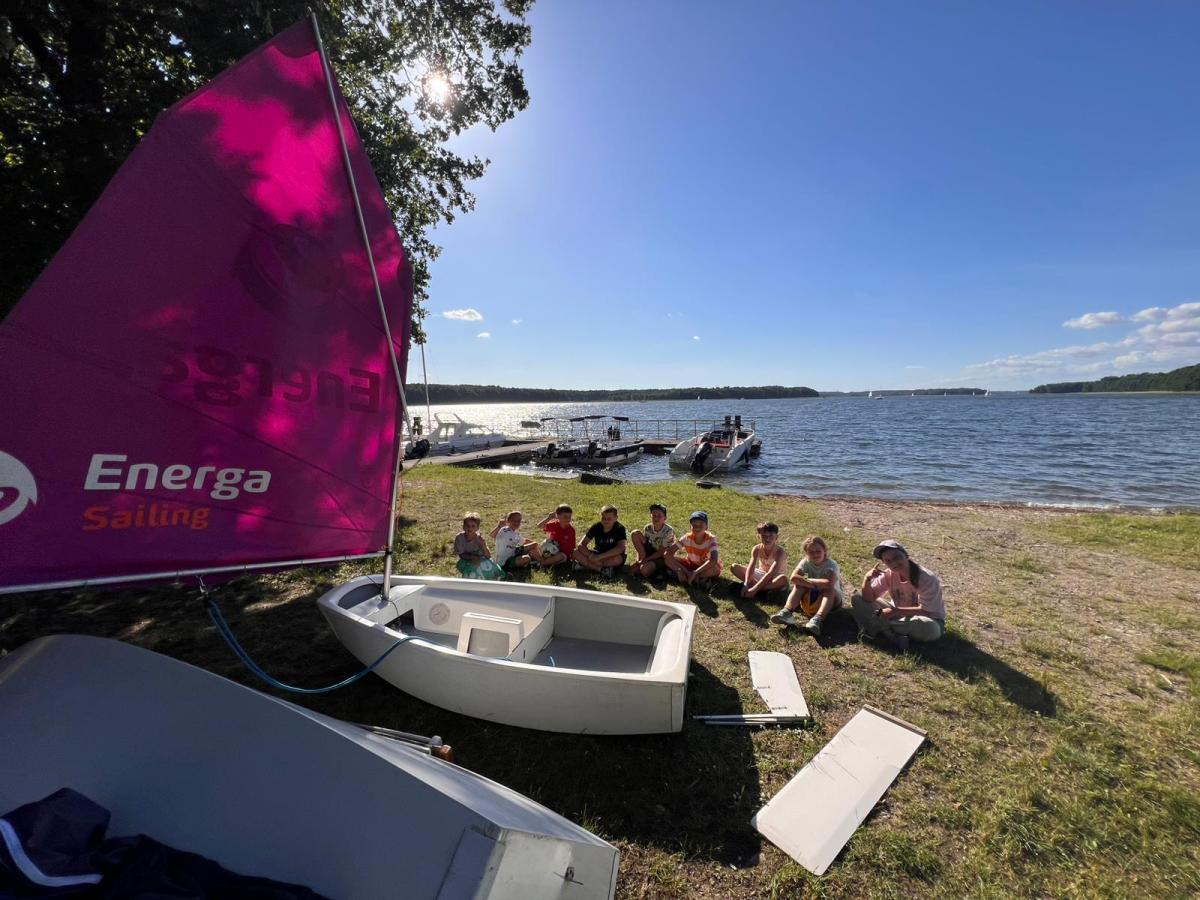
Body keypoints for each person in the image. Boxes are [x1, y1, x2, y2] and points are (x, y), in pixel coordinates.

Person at [850, 539, 946, 650]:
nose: (894, 563)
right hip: (897, 615)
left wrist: (894, 611)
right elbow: (868, 598)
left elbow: (926, 610)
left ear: (906, 555)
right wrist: (867, 579)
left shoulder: (926, 578)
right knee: (857, 598)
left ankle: (876, 627)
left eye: (897, 557)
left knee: (931, 629)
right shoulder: (888, 574)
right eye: (888, 561)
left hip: (926, 618)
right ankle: (891, 633)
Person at [771, 535, 842, 635]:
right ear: (806, 553)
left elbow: (829, 583)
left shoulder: (831, 564)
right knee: (799, 585)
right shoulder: (806, 562)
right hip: (812, 598)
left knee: (828, 589)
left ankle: (818, 619)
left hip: (832, 601)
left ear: (825, 550)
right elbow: (793, 578)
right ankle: (787, 611)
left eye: (818, 551)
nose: (815, 554)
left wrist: (807, 581)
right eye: (811, 552)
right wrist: (813, 585)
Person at [731, 522, 788, 600]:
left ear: (777, 537)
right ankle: (760, 590)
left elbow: (771, 573)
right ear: (758, 536)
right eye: (764, 536)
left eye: (771, 536)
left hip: (774, 577)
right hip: (761, 574)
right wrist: (746, 583)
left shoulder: (780, 552)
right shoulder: (757, 549)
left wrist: (754, 589)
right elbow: (751, 567)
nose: (767, 539)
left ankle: (755, 589)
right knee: (734, 567)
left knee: (783, 579)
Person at [665, 510, 722, 586]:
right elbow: (667, 553)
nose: (697, 527)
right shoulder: (687, 538)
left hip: (705, 567)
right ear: (690, 527)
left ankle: (691, 577)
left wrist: (695, 572)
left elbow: (713, 560)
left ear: (706, 527)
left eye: (701, 524)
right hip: (690, 564)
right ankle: (695, 578)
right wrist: (681, 570)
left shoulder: (711, 539)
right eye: (694, 525)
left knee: (715, 569)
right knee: (667, 560)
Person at [572, 504, 628, 576]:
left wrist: (599, 557)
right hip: (596, 554)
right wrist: (590, 556)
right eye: (603, 518)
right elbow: (581, 544)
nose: (606, 521)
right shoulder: (596, 526)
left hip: (611, 556)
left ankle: (586, 565)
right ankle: (602, 570)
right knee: (575, 552)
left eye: (609, 519)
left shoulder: (620, 528)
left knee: (618, 559)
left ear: (615, 518)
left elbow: (621, 548)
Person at [630, 503, 677, 577]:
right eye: (654, 515)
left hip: (662, 556)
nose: (656, 518)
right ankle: (642, 563)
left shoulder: (669, 531)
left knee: (645, 570)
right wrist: (640, 560)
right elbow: (642, 547)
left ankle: (661, 570)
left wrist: (646, 560)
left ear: (665, 518)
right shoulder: (647, 528)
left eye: (659, 516)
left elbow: (662, 551)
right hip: (651, 552)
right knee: (635, 533)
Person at [454, 512, 500, 579]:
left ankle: (496, 578)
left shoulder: (479, 538)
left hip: (480, 559)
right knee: (471, 569)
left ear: (477, 528)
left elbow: (488, 556)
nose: (470, 528)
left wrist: (483, 545)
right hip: (466, 559)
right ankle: (470, 580)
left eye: (473, 526)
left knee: (492, 566)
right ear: (463, 527)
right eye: (467, 526)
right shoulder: (460, 538)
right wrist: (472, 558)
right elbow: (461, 554)